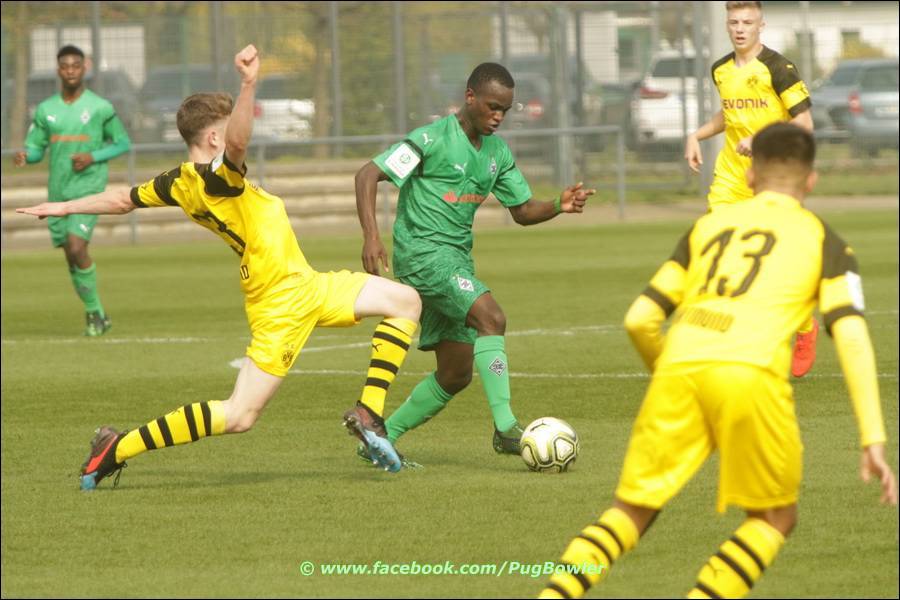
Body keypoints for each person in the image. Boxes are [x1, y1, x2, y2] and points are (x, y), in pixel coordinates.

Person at [17, 45, 422, 488]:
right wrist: (249, 83)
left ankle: (369, 414)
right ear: (213, 138)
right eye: (226, 130)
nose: (234, 138)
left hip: (306, 285)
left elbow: (121, 200)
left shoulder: (178, 181)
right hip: (281, 303)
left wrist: (62, 206)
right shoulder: (216, 180)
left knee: (404, 302)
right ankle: (116, 447)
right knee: (238, 415)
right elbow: (239, 143)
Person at [539, 123, 897, 599]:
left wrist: (670, 377)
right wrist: (872, 437)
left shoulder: (706, 229)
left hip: (679, 369)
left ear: (749, 176)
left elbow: (640, 318)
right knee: (774, 517)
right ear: (811, 181)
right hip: (751, 376)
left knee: (630, 511)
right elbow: (851, 336)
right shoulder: (824, 241)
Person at [353, 62, 594, 462]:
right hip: (423, 256)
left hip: (457, 262)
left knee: (456, 373)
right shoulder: (430, 139)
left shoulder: (497, 153)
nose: (499, 116)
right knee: (492, 318)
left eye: (505, 110)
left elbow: (522, 211)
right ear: (470, 97)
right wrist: (371, 236)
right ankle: (506, 428)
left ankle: (381, 440)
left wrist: (558, 204)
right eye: (493, 106)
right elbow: (367, 175)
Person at [684, 1, 820, 378]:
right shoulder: (721, 69)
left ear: (762, 25)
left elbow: (804, 123)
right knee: (720, 252)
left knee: (776, 261)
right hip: (731, 177)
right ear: (727, 25)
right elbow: (730, 115)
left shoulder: (779, 68)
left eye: (748, 21)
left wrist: (761, 139)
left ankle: (804, 326)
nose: (740, 28)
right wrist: (696, 134)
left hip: (774, 175)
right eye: (734, 22)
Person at [14, 45, 132, 336]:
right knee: (71, 253)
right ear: (58, 70)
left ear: (84, 68)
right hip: (58, 189)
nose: (70, 71)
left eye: (75, 66)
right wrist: (27, 156)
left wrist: (93, 156)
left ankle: (94, 316)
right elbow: (37, 148)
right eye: (65, 66)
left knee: (77, 246)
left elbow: (122, 143)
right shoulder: (46, 110)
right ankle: (97, 313)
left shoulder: (100, 107)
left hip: (89, 187)